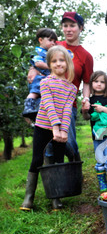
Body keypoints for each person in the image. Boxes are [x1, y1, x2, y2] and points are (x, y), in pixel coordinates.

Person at [27, 11, 93, 162]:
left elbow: (87, 82)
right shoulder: (54, 46)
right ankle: (52, 180)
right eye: (65, 26)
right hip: (48, 103)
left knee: (68, 142)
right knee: (48, 147)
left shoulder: (85, 56)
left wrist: (86, 99)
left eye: (72, 26)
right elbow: (40, 62)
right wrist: (32, 69)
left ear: (80, 27)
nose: (68, 29)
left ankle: (73, 174)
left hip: (68, 104)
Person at [20, 45, 77, 212]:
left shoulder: (71, 88)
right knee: (37, 160)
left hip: (60, 129)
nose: (58, 64)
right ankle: (28, 198)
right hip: (44, 126)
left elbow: (67, 109)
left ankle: (56, 197)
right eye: (54, 61)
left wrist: (64, 130)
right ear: (49, 64)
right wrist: (55, 128)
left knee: (58, 160)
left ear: (67, 63)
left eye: (61, 60)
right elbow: (49, 106)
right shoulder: (44, 83)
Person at [82, 71, 107, 192]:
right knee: (100, 160)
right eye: (96, 81)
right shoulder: (90, 100)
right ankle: (102, 182)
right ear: (91, 83)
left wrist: (103, 109)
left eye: (102, 82)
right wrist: (84, 110)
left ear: (106, 84)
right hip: (98, 136)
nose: (99, 84)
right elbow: (86, 117)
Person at [22, 28, 57, 123]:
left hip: (44, 79)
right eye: (50, 40)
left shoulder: (48, 53)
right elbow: (37, 63)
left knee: (42, 96)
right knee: (35, 92)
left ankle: (36, 111)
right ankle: (28, 107)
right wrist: (52, 67)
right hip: (38, 78)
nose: (53, 43)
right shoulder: (38, 51)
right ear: (40, 40)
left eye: (54, 41)